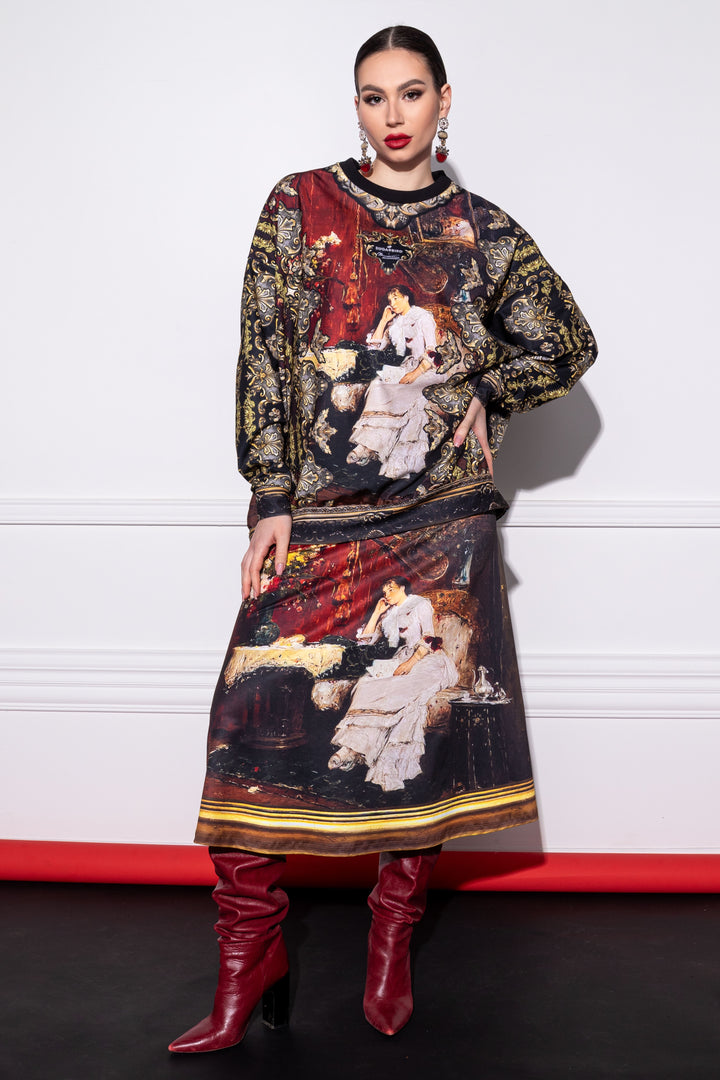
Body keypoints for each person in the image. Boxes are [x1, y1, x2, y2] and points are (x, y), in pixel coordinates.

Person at [169, 25, 597, 1053]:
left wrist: (490, 388)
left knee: (418, 735)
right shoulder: (297, 205)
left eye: (411, 93)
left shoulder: (482, 229)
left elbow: (568, 342)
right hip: (321, 513)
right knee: (249, 717)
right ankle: (249, 956)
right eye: (373, 95)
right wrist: (270, 496)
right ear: (356, 106)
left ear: (445, 101)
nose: (393, 115)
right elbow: (266, 352)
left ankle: (393, 939)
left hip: (442, 520)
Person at [328, 576, 458, 791]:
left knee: (401, 689)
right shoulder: (389, 614)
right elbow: (365, 641)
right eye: (384, 591)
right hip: (400, 658)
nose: (386, 594)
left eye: (391, 589)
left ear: (403, 588)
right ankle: (354, 748)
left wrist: (410, 663)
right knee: (365, 684)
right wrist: (377, 613)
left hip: (428, 660)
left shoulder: (420, 604)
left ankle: (382, 759)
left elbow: (429, 638)